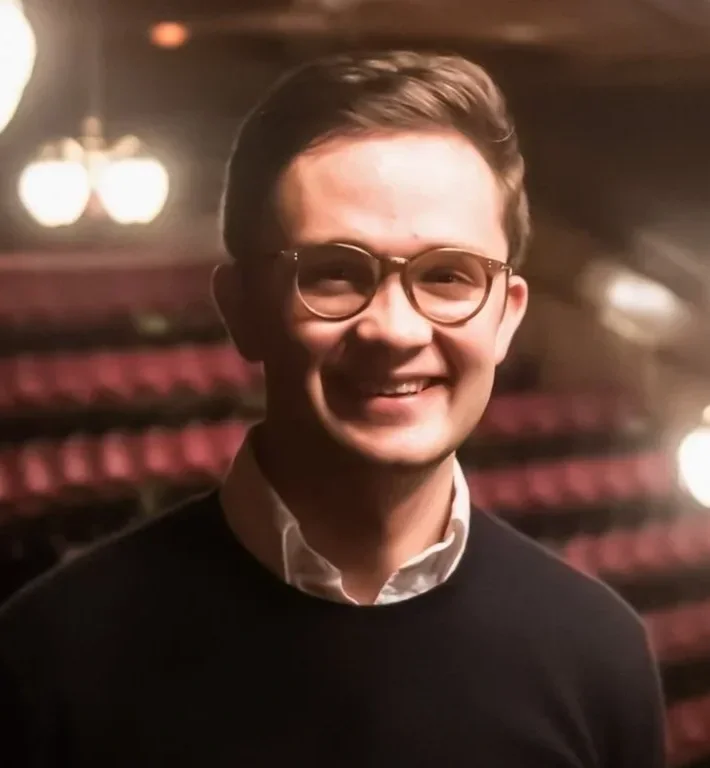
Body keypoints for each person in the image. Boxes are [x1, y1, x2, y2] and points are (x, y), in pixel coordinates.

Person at [0, 50, 666, 767]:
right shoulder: (49, 654)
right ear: (243, 310)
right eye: (336, 273)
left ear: (506, 317)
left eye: (448, 276)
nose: (395, 330)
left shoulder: (600, 652)